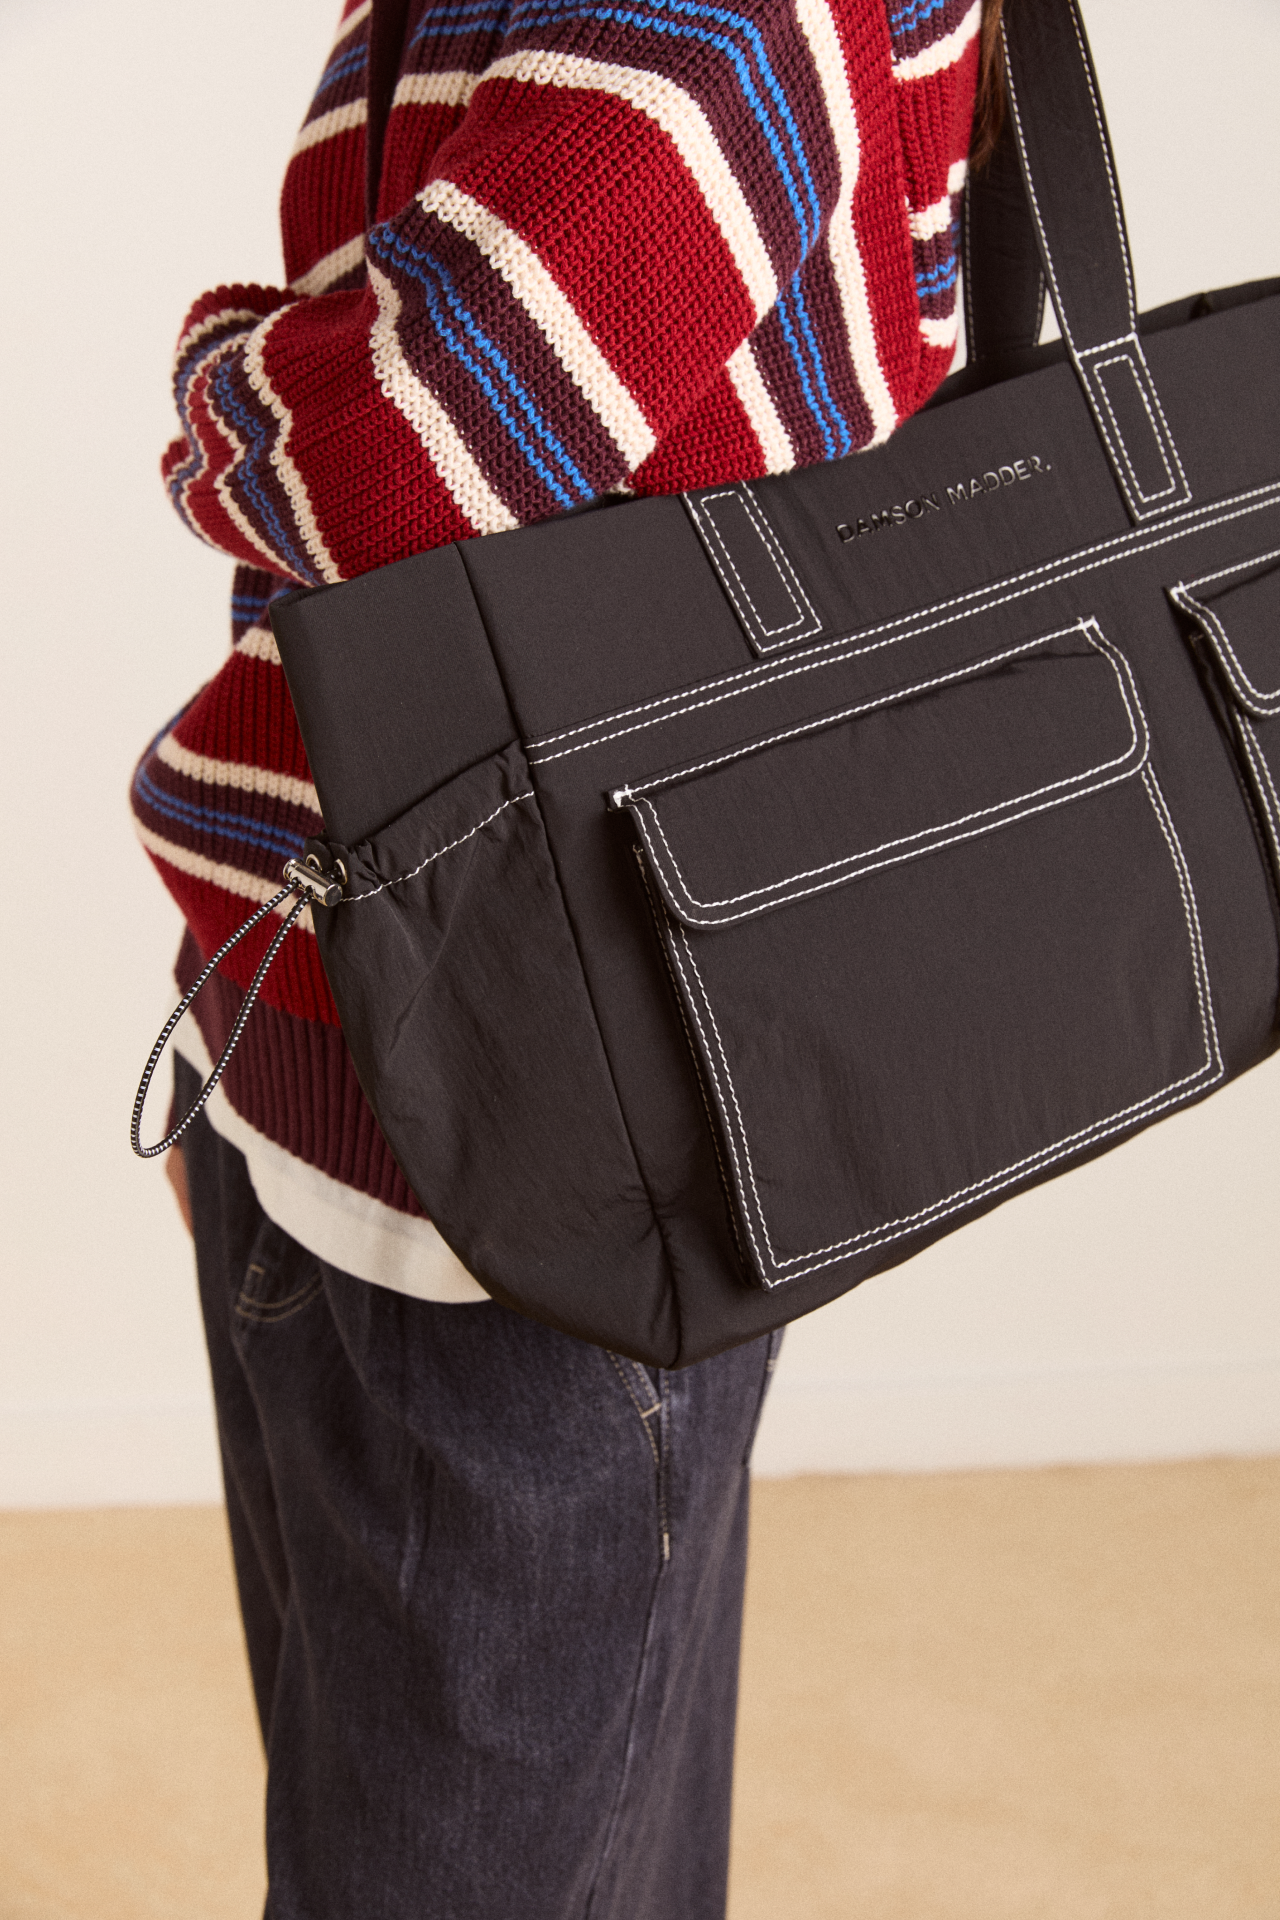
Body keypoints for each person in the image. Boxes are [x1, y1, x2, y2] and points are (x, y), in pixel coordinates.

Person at [134, 0, 997, 1910]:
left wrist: (216, 377)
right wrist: (247, 1050)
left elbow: (394, 447)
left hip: (530, 1161)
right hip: (358, 1056)